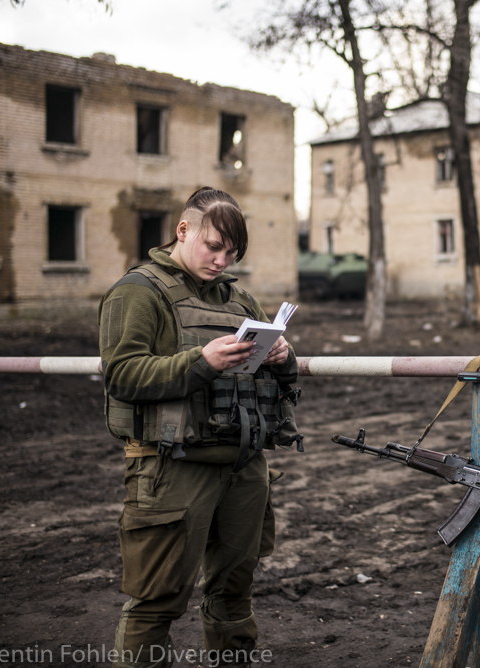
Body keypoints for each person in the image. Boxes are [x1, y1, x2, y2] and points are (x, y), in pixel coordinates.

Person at [98, 187, 298, 668]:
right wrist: (201, 361)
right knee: (158, 597)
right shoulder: (137, 291)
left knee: (235, 590)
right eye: (214, 246)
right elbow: (122, 375)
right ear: (183, 230)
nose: (222, 260)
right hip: (173, 468)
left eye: (232, 252)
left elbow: (271, 379)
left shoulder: (240, 298)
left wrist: (281, 357)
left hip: (243, 466)